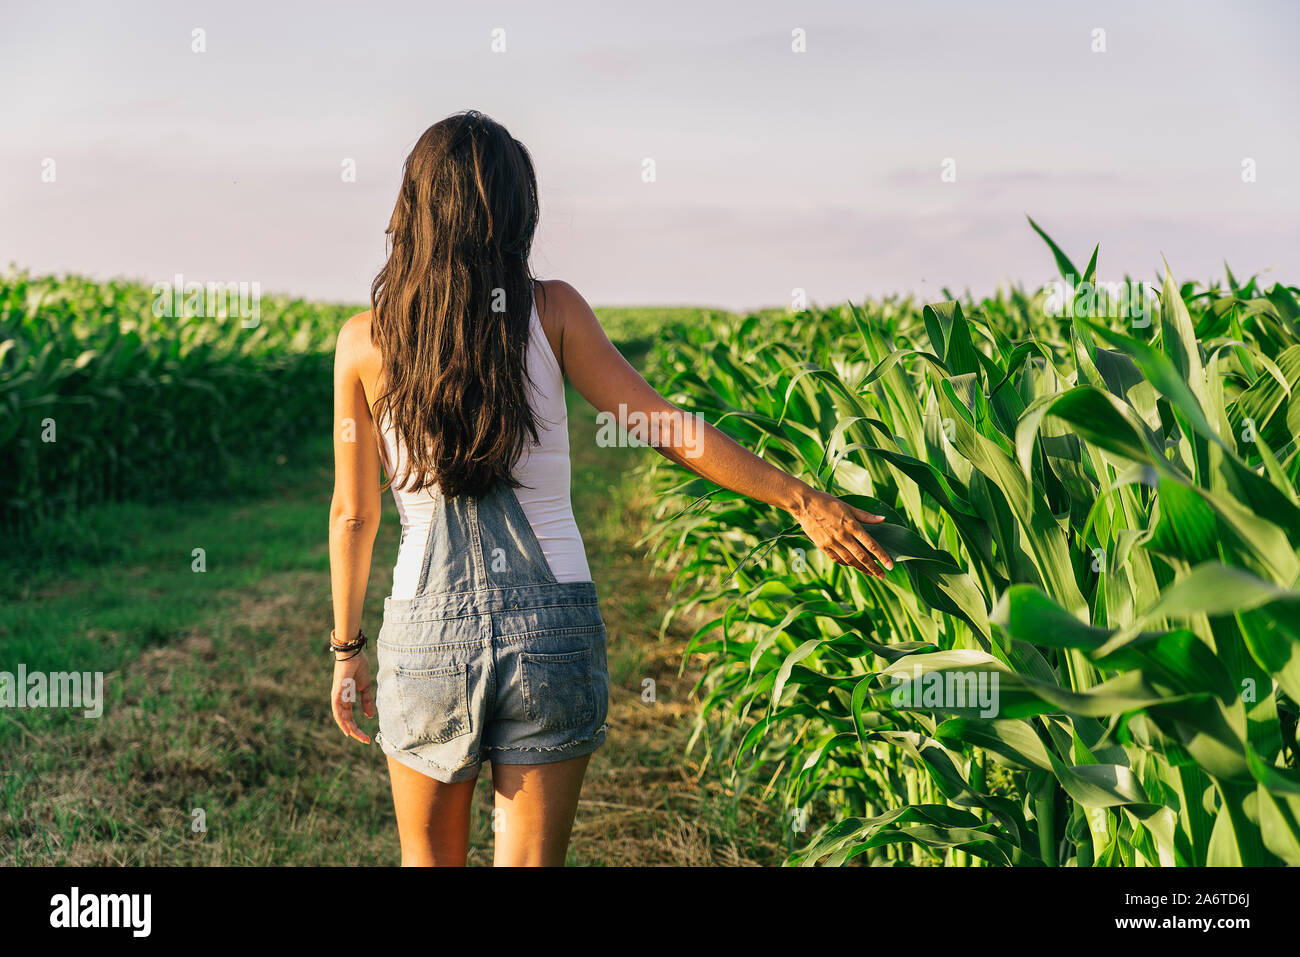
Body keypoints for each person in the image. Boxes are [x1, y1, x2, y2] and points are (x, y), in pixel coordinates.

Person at [327, 110, 893, 866]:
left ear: (416, 208)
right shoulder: (553, 310)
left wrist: (347, 649)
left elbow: (354, 514)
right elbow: (666, 426)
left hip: (426, 641)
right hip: (552, 633)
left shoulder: (363, 341)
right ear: (513, 211)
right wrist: (802, 499)